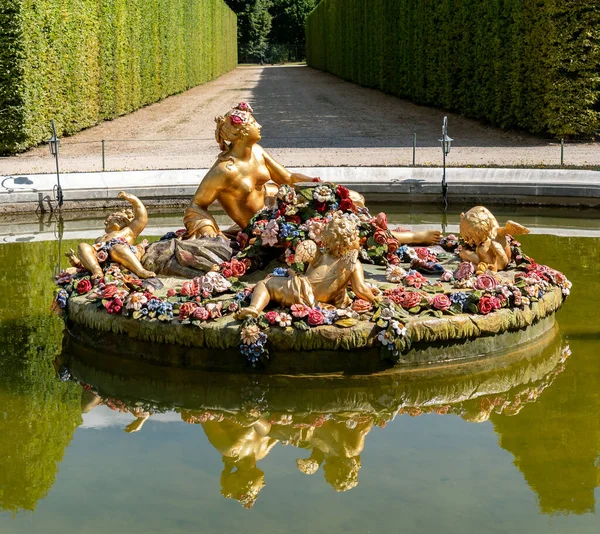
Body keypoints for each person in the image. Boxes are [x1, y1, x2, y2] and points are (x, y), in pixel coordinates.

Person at [236, 215, 377, 318]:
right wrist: (376, 301)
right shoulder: (352, 262)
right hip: (314, 296)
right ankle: (257, 306)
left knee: (265, 284)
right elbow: (361, 289)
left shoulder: (322, 254)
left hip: (302, 290)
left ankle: (254, 308)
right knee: (278, 280)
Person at [74, 191, 155, 279]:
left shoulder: (127, 231)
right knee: (83, 246)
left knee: (116, 248)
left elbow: (141, 217)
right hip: (100, 258)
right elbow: (88, 255)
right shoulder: (100, 238)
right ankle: (96, 270)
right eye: (117, 218)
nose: (120, 219)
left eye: (123, 219)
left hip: (118, 253)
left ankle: (140, 271)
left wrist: (132, 199)